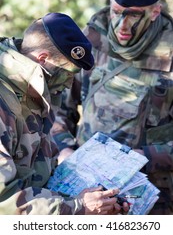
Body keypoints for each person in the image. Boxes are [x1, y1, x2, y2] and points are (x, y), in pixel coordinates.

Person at [51, 0, 173, 215]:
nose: (122, 26)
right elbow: (57, 109)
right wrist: (64, 150)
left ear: (154, 12)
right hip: (87, 188)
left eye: (134, 15)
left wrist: (143, 156)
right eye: (117, 12)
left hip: (153, 193)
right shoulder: (89, 40)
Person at [0, 12, 129, 215]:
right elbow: (5, 202)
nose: (69, 84)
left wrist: (98, 199)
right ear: (43, 59)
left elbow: (40, 176)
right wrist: (78, 208)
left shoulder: (34, 94)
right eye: (67, 73)